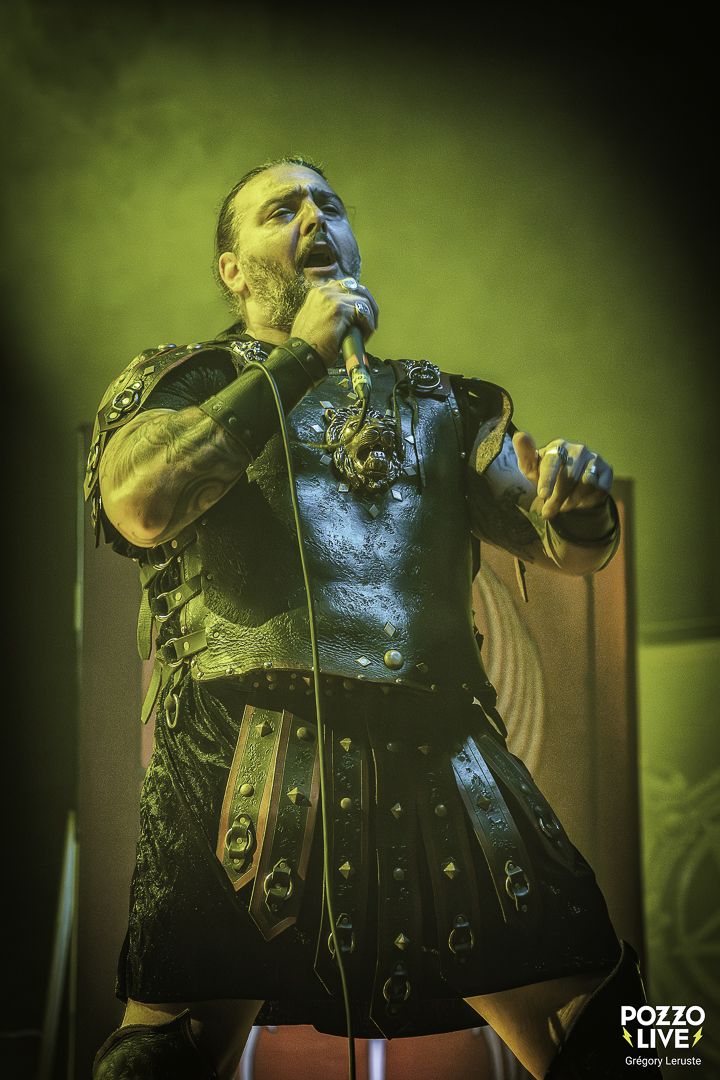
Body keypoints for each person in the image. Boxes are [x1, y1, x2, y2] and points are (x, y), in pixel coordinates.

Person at [85, 157, 659, 1079]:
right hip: (241, 750)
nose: (315, 217)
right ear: (233, 269)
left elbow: (564, 544)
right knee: (156, 1053)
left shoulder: (444, 402)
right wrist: (301, 357)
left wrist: (581, 511)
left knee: (645, 1029)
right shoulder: (180, 378)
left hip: (445, 747)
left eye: (329, 204)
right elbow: (138, 504)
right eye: (282, 209)